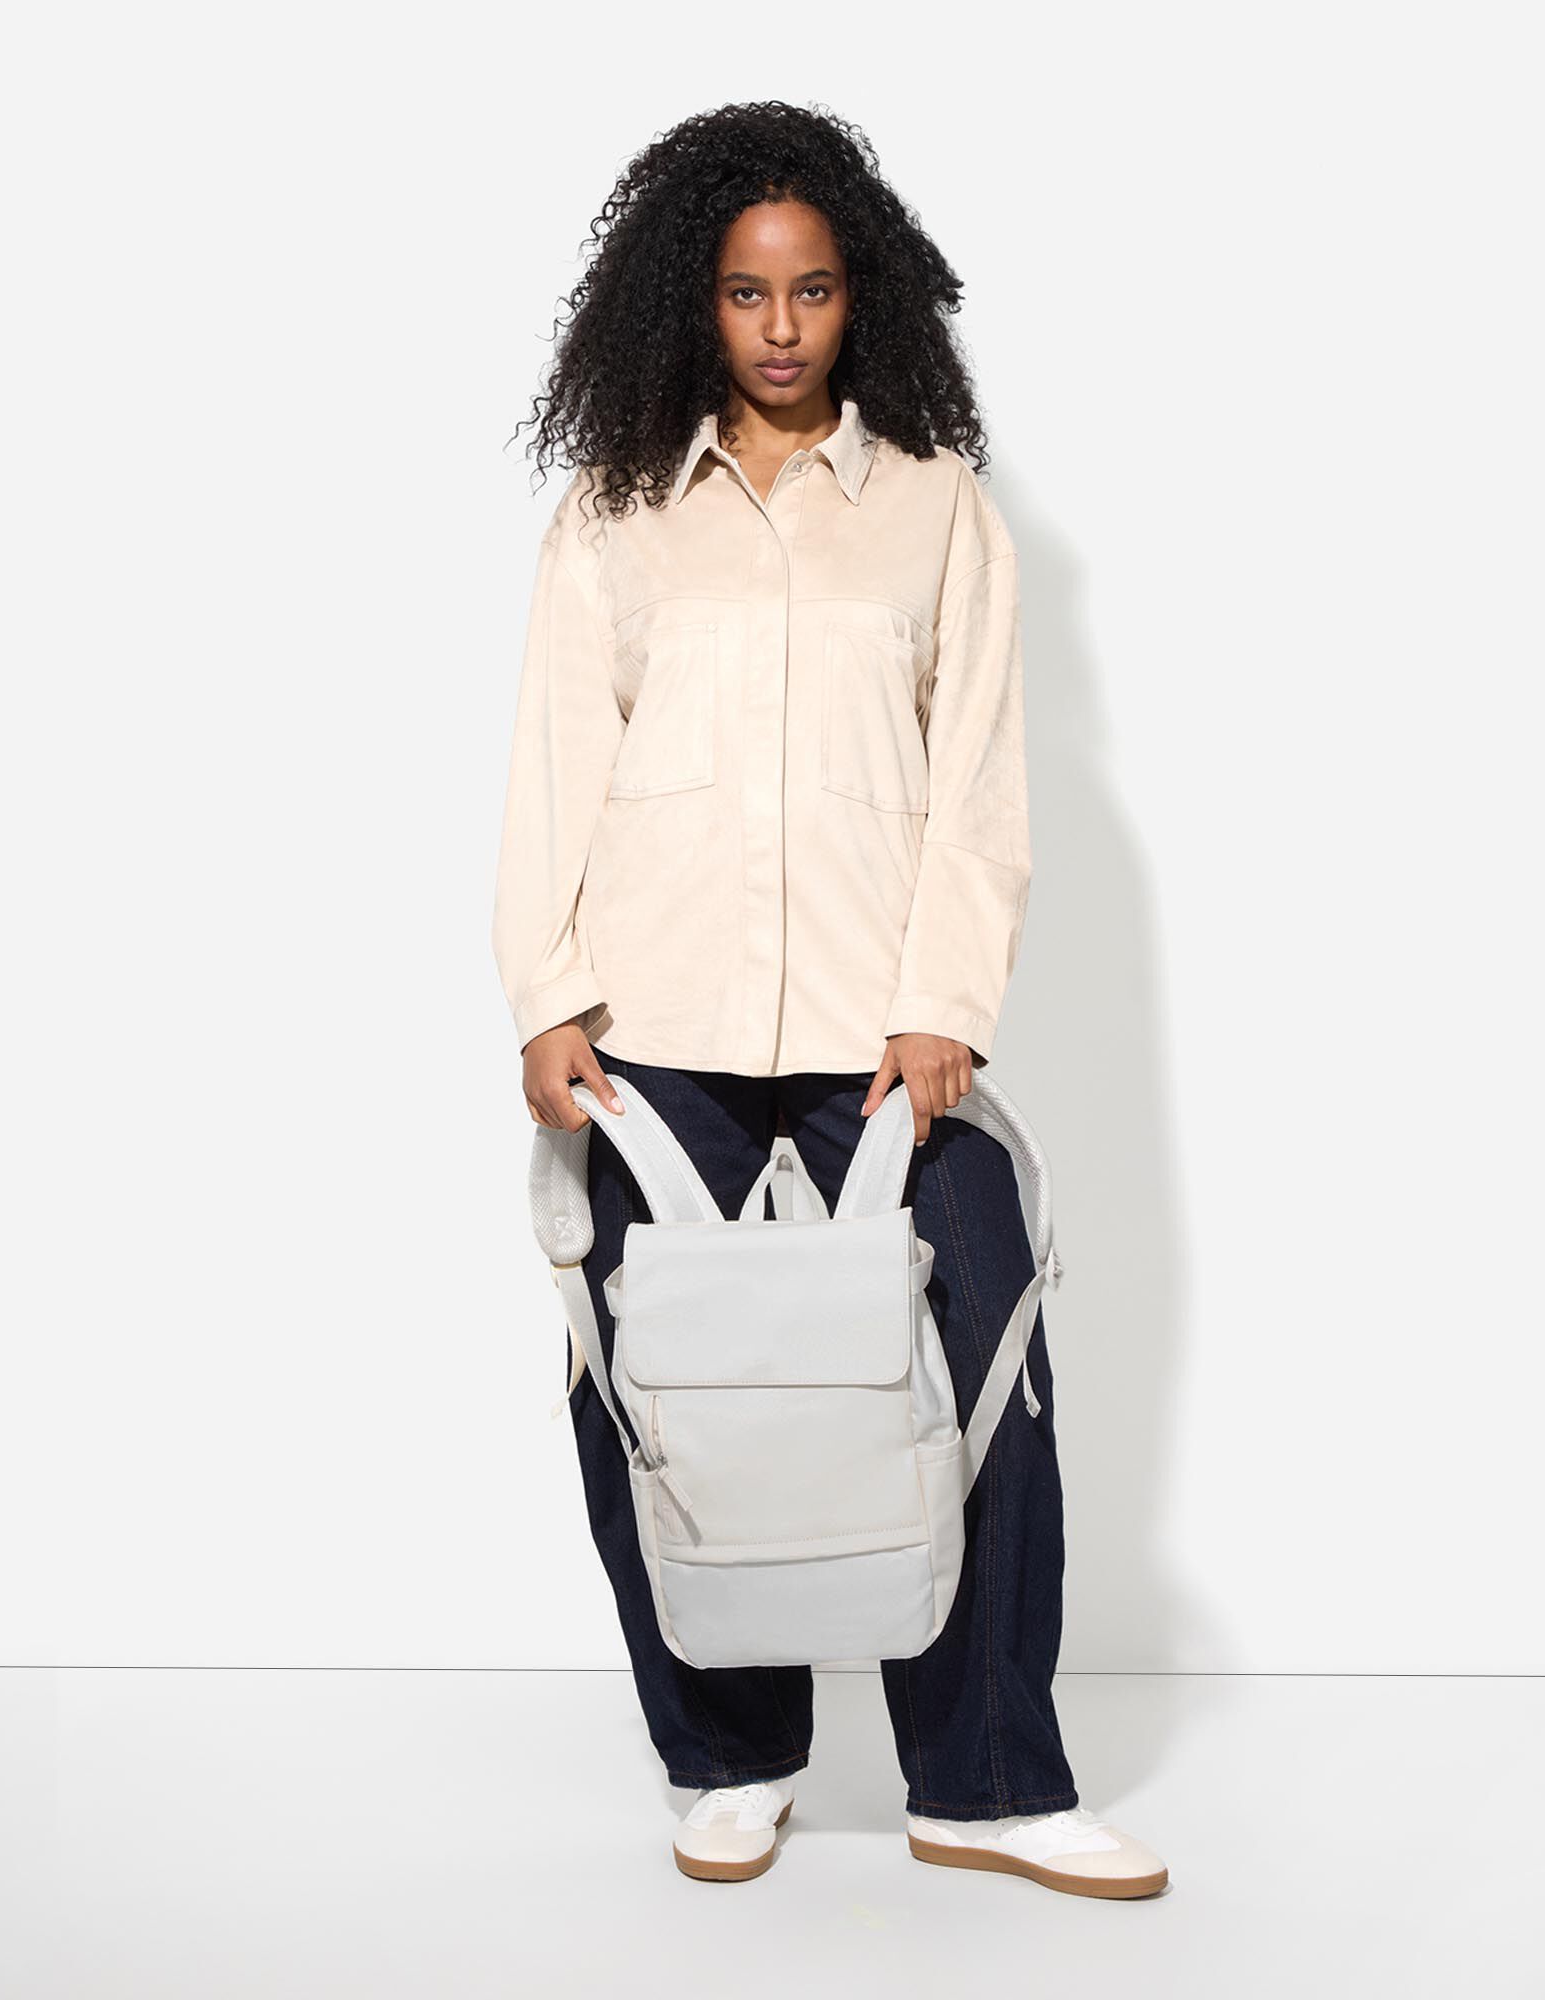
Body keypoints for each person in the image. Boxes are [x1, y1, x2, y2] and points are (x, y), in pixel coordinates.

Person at [491, 99, 1168, 1898]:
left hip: (888, 1035)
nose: (781, 327)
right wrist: (550, 995)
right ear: (690, 301)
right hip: (656, 1034)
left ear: (863, 297)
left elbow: (982, 786)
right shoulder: (616, 511)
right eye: (744, 292)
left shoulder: (938, 507)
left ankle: (986, 1782)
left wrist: (945, 998)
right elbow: (553, 765)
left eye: (811, 290)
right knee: (653, 1384)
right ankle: (730, 1754)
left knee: (988, 1351)